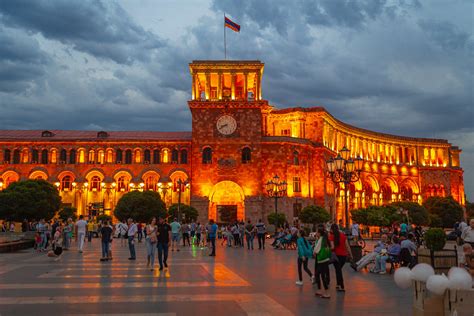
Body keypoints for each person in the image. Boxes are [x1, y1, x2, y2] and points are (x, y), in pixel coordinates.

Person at [329, 224, 352, 291]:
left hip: (336, 256)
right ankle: (338, 284)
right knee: (338, 270)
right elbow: (347, 246)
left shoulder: (331, 236)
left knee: (338, 271)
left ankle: (341, 286)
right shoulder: (343, 235)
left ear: (332, 229)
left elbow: (332, 247)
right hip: (343, 256)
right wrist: (350, 255)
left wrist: (327, 249)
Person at [313, 227, 331, 299]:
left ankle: (327, 293)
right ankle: (320, 290)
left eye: (317, 232)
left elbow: (316, 249)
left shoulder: (321, 239)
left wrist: (314, 253)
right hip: (325, 259)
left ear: (319, 233)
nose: (316, 233)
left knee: (322, 276)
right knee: (318, 274)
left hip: (321, 259)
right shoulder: (325, 239)